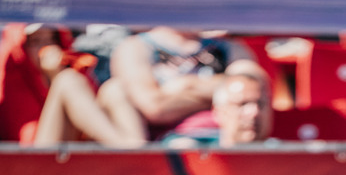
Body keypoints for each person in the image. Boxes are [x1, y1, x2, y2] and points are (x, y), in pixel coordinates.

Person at [0, 23, 144, 146]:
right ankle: (129, 152)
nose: (47, 48)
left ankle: (140, 152)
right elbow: (26, 138)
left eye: (51, 39)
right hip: (34, 160)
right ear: (22, 46)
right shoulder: (11, 75)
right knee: (67, 81)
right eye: (36, 41)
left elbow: (90, 117)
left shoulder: (71, 64)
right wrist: (55, 77)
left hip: (75, 149)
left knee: (114, 89)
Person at [108, 26, 260, 142]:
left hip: (230, 140)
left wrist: (187, 85)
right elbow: (156, 109)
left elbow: (253, 89)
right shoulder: (136, 47)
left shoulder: (230, 46)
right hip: (168, 144)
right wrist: (220, 94)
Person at [161, 70, 273, 148]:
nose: (254, 113)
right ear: (219, 112)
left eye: (261, 104)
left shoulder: (283, 158)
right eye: (242, 104)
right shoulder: (190, 149)